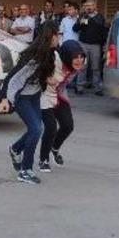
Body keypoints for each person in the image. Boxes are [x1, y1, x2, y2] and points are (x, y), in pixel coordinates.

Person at [0, 21, 61, 184]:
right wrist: (4, 98)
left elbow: (39, 74)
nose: (59, 37)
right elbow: (11, 77)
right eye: (57, 34)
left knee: (36, 129)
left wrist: (47, 79)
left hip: (34, 95)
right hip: (20, 96)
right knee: (36, 129)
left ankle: (16, 149)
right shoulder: (33, 56)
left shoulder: (50, 53)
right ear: (49, 36)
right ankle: (25, 170)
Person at [38, 40, 86, 172]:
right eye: (75, 57)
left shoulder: (80, 63)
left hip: (59, 94)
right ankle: (43, 159)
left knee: (68, 125)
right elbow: (35, 67)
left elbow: (64, 81)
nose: (79, 60)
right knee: (51, 128)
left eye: (81, 56)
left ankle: (55, 147)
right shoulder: (53, 59)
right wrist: (44, 78)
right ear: (66, 55)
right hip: (44, 95)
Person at [73, 0, 106, 96]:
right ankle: (79, 87)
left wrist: (104, 44)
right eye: (87, 6)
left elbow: (103, 31)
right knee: (83, 66)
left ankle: (98, 88)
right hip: (83, 44)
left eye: (91, 5)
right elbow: (75, 29)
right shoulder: (83, 16)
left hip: (96, 45)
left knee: (96, 67)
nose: (89, 7)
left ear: (95, 6)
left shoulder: (100, 17)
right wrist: (82, 20)